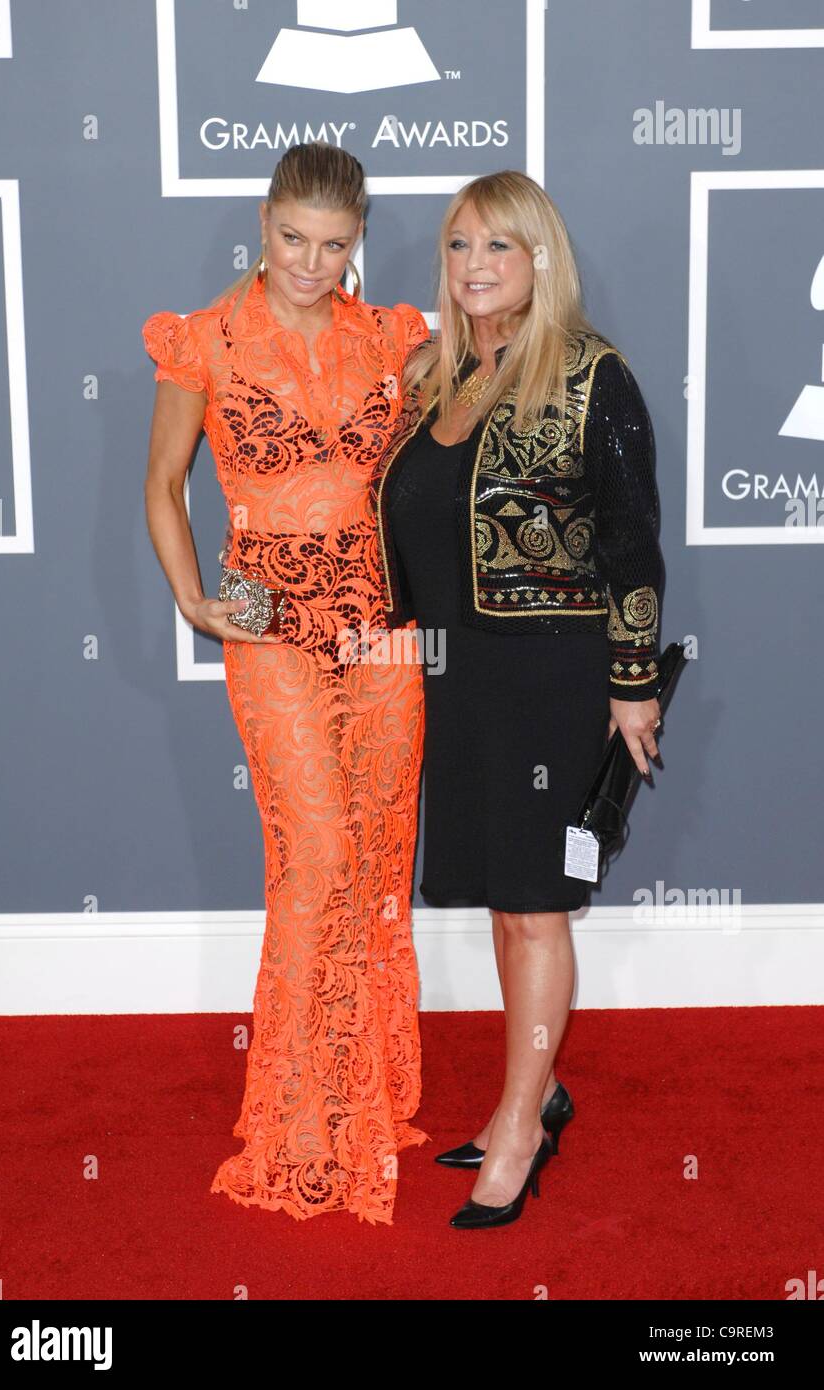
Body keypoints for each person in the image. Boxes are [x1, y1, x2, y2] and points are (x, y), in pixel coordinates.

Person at [141, 142, 430, 1225]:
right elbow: (162, 486)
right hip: (267, 623)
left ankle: (369, 1098)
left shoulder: (389, 336)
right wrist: (192, 599)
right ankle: (303, 1125)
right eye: (292, 240)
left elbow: (420, 478)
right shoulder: (203, 341)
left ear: (359, 237)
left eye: (335, 244)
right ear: (262, 223)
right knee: (311, 854)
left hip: (381, 627)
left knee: (375, 852)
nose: (311, 264)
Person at [373, 170, 664, 1229]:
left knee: (536, 909)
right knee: (506, 900)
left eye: (499, 245)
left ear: (540, 259)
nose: (474, 265)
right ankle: (532, 1088)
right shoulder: (433, 376)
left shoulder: (591, 378)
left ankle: (517, 1127)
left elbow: (632, 540)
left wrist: (630, 688)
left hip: (548, 676)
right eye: (458, 245)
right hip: (456, 680)